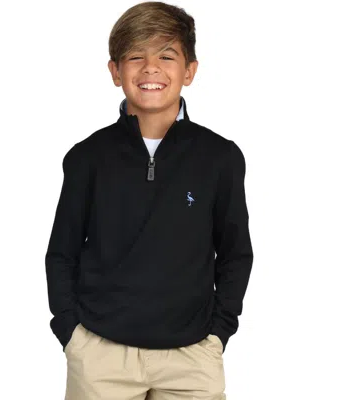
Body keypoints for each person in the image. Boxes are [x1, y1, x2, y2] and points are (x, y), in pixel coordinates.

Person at [45, 2, 253, 399]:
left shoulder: (220, 157)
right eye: (136, 56)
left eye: (166, 56)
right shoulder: (87, 157)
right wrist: (71, 333)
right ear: (115, 71)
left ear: (189, 71)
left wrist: (218, 334)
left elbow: (235, 253)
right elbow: (62, 252)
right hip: (101, 357)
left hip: (192, 359)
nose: (151, 68)